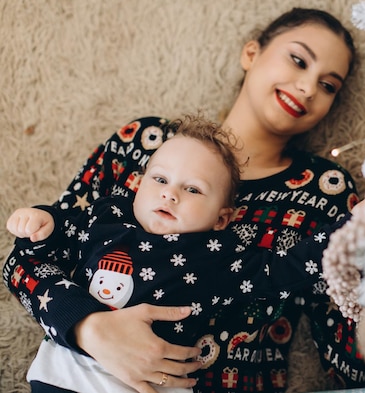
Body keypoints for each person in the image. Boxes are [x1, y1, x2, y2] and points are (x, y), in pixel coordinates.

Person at [3, 8, 365, 393]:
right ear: (252, 54)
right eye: (298, 60)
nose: (309, 87)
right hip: (74, 375)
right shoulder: (144, 143)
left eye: (328, 85)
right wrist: (89, 327)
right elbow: (28, 256)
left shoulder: (323, 192)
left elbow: (352, 352)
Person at [7, 115, 319, 392]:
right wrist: (41, 224)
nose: (170, 193)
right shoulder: (107, 217)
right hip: (68, 375)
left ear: (222, 219)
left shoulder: (219, 257)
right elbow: (49, 247)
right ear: (139, 185)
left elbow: (283, 269)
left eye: (193, 189)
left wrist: (354, 230)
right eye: (160, 180)